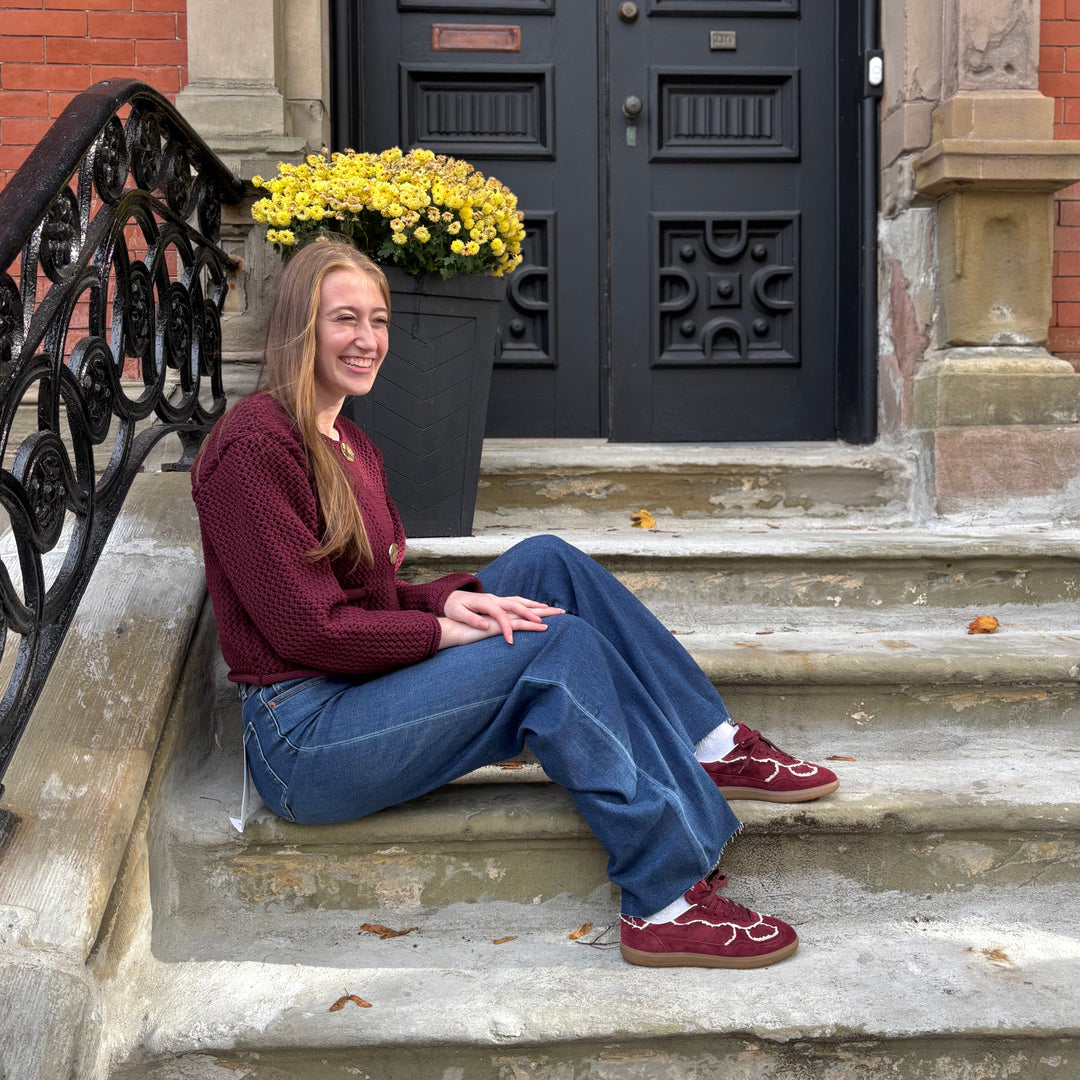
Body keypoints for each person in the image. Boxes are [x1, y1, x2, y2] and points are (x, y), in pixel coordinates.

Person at [191, 239, 839, 971]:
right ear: (299, 326)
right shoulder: (254, 444)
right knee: (552, 649)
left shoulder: (350, 443)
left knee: (546, 564)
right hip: (303, 738)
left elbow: (362, 597)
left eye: (378, 319)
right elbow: (308, 628)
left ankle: (707, 742)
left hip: (354, 687)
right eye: (345, 319)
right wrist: (440, 630)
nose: (367, 339)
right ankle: (665, 902)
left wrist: (449, 603)